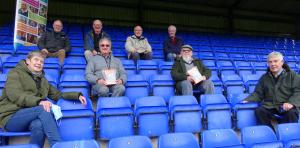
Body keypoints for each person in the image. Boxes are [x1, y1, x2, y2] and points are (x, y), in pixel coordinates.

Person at [0, 51, 87, 147]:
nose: (39, 63)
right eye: (36, 60)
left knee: (39, 124)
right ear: (27, 61)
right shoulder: (15, 73)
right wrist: (39, 101)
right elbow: (15, 95)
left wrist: (76, 95)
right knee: (44, 108)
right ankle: (58, 145)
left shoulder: (43, 80)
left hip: (31, 116)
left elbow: (57, 94)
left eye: (42, 62)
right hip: (11, 117)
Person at [243, 51, 300, 129]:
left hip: (287, 106)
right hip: (271, 106)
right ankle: (270, 133)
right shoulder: (264, 77)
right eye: (270, 62)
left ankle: (288, 134)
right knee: (259, 111)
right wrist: (248, 99)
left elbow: (298, 91)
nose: (273, 64)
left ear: (282, 62)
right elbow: (258, 93)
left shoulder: (293, 76)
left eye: (275, 61)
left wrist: (291, 103)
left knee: (292, 113)